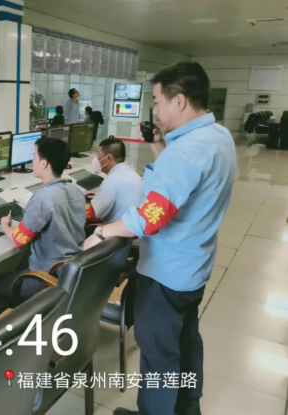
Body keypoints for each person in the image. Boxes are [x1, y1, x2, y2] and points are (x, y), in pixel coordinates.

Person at [84, 62, 237, 415]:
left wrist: (103, 231)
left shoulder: (184, 153)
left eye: (157, 101)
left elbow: (150, 217)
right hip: (193, 267)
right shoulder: (218, 136)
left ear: (178, 100)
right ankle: (187, 407)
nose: (155, 110)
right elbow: (187, 185)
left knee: (158, 356)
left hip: (166, 273)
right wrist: (159, 149)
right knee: (185, 341)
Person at [0, 137, 85, 311]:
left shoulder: (42, 199)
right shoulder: (75, 190)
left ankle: (16, 320)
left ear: (44, 163)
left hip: (46, 276)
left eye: (34, 156)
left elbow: (19, 240)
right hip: (71, 271)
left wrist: (5, 226)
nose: (32, 161)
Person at [86, 138, 142, 225]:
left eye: (98, 155)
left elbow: (93, 215)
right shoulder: (131, 173)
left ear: (108, 158)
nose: (96, 159)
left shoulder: (111, 181)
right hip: (134, 225)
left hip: (120, 230)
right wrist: (100, 195)